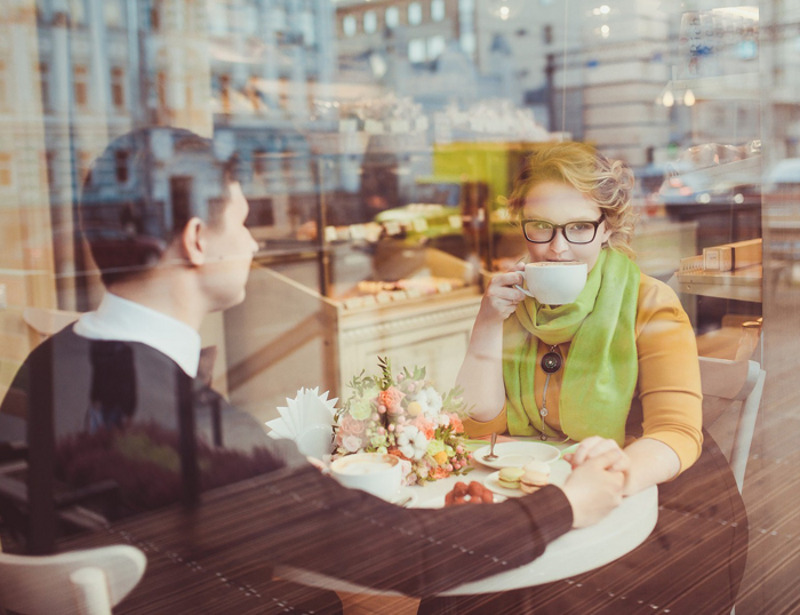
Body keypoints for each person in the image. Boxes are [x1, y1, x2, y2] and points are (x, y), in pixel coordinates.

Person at [0, 127, 627, 611]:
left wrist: (289, 489)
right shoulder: (194, 433)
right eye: (243, 223)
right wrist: (566, 504)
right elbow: (408, 557)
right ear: (197, 240)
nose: (253, 244)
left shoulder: (46, 367)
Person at [456, 141, 703, 496]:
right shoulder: (511, 302)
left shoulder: (649, 303)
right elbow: (477, 428)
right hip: (521, 488)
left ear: (606, 228)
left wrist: (607, 482)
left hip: (622, 493)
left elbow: (677, 432)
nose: (558, 248)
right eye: (541, 226)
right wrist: (487, 323)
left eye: (579, 227)